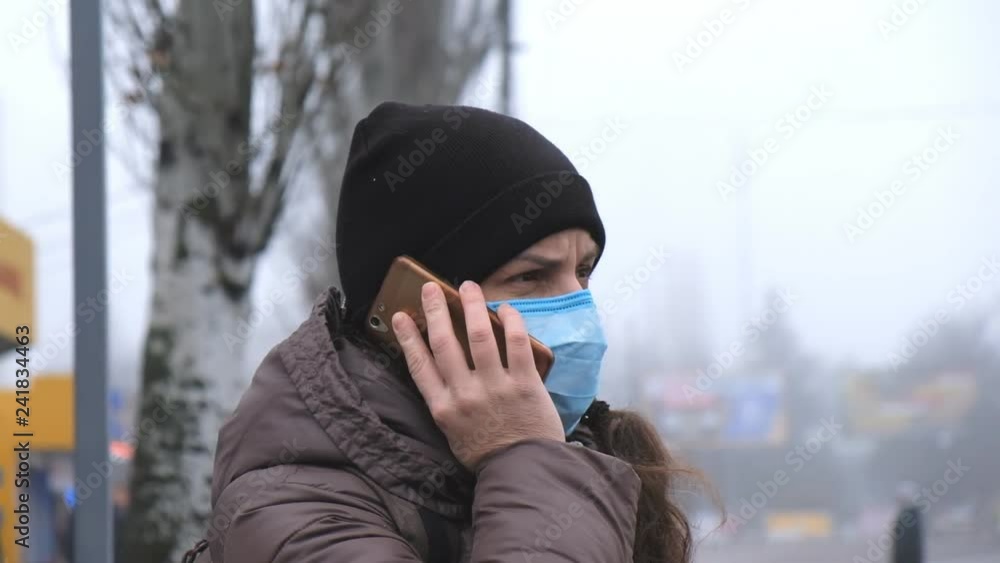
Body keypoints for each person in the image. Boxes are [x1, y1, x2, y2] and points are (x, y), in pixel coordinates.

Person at [193, 102, 700, 562]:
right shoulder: (291, 506)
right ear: (415, 306)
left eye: (583, 271)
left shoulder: (585, 458)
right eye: (531, 276)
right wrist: (527, 456)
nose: (581, 310)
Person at [891, 482, 924, 563]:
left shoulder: (911, 516)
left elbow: (909, 544)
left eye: (901, 498)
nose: (898, 501)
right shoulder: (903, 515)